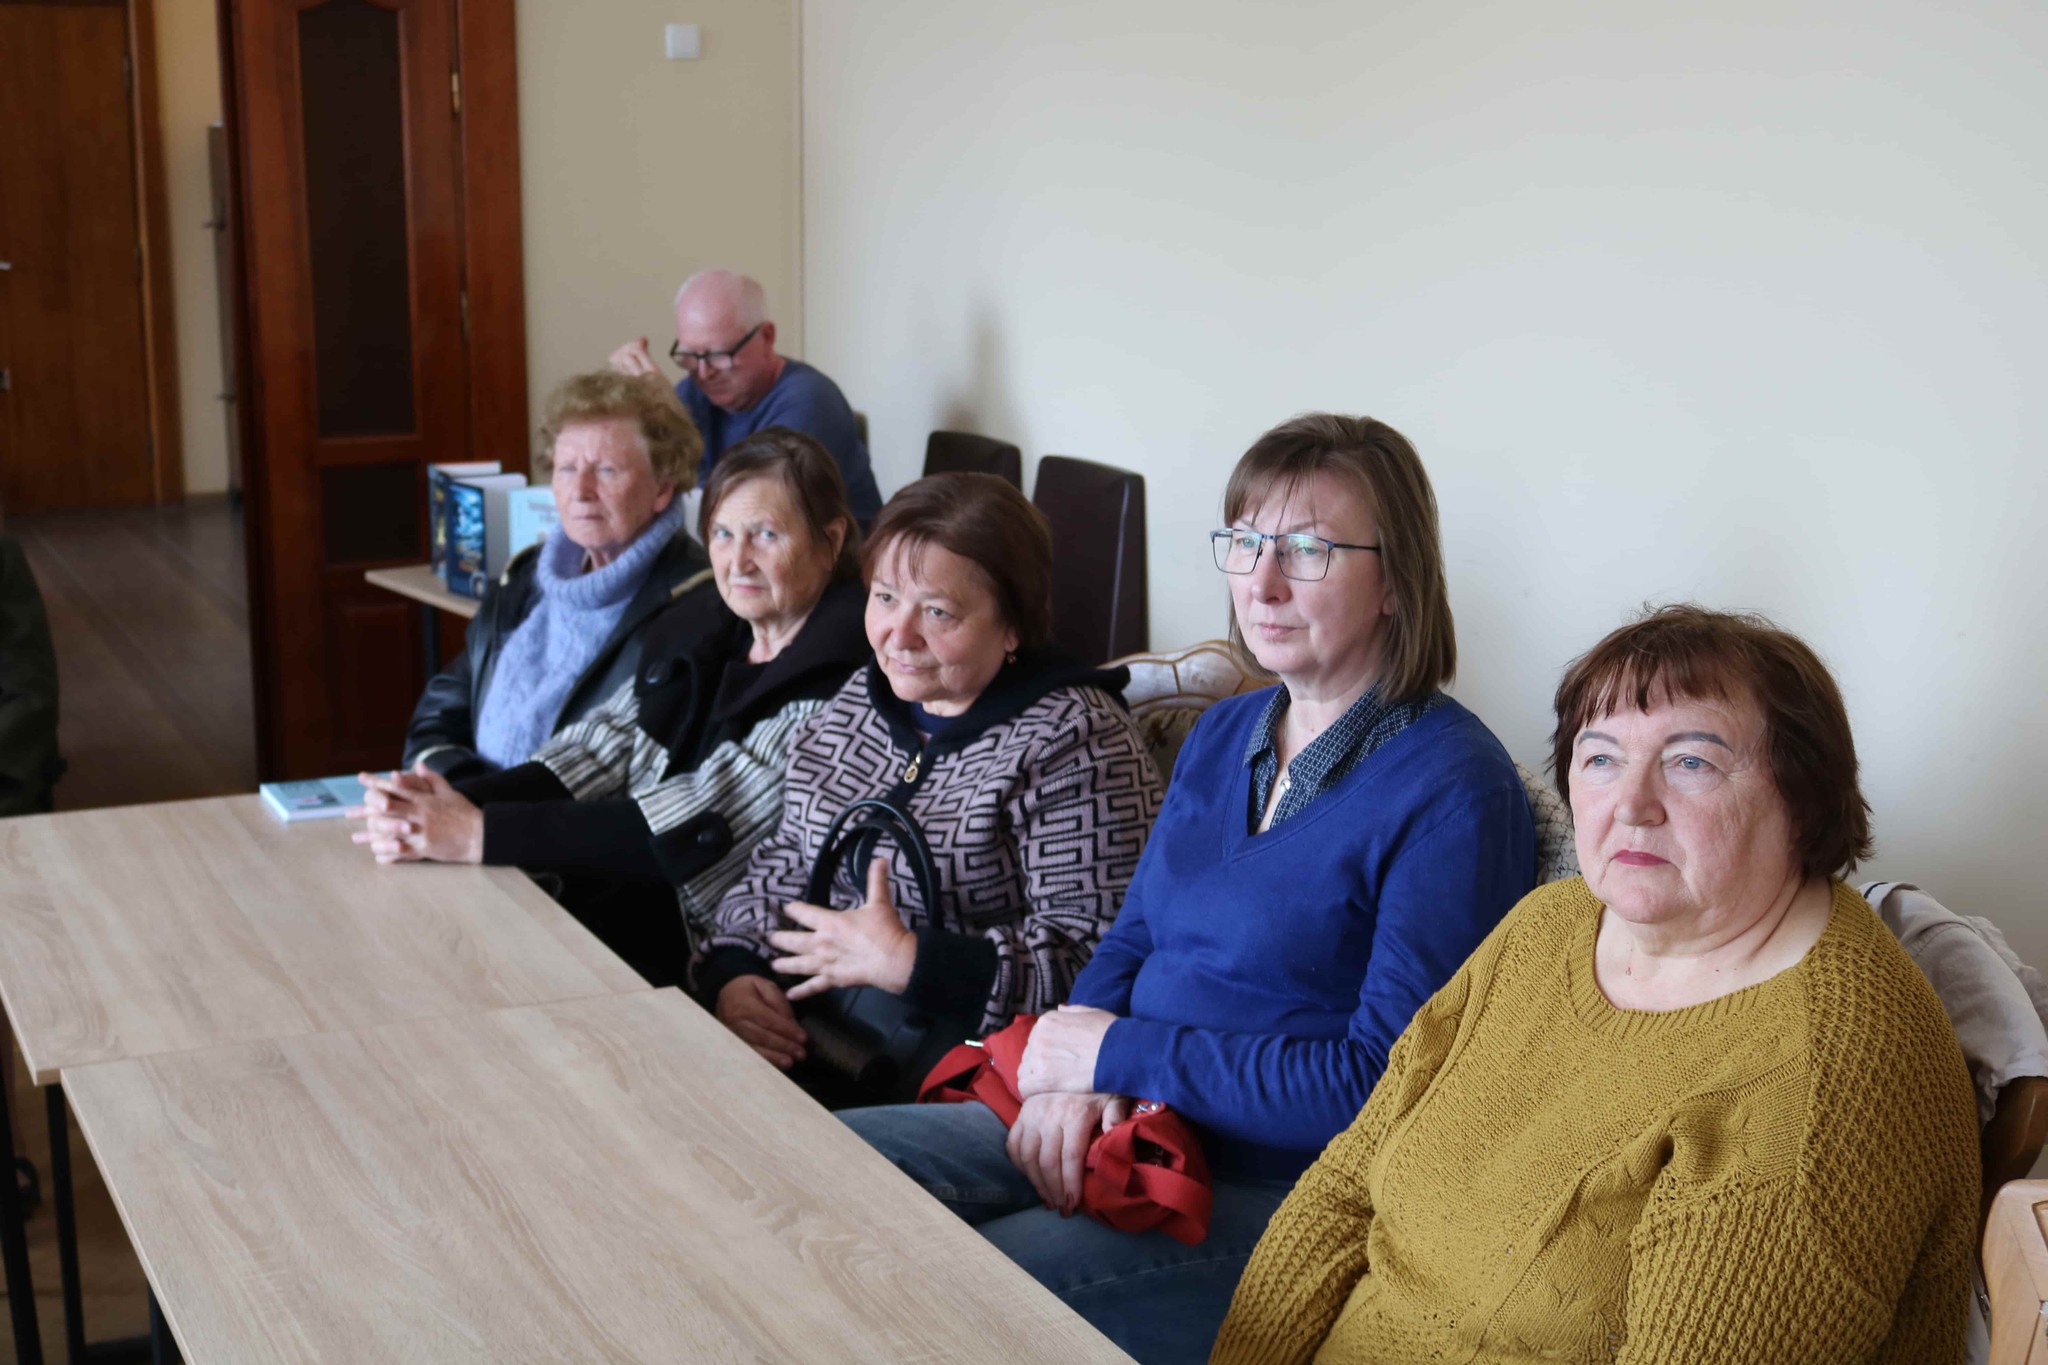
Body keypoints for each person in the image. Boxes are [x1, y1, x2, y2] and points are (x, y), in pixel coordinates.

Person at [844, 414, 1537, 1363]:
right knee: (821, 1169)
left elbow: (1377, 1091)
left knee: (949, 1294)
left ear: (1397, 582)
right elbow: (1136, 936)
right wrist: (1073, 1074)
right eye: (1246, 542)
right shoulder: (1226, 731)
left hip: (1278, 1194)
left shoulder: (1457, 790)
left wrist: (1123, 1054)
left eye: (1308, 550)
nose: (1263, 582)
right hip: (1131, 1118)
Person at [1213, 606, 1980, 1365]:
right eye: (1601, 757)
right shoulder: (1550, 925)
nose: (1631, 805)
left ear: (1802, 798)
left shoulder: (1830, 1076)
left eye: (1691, 762)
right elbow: (1348, 1183)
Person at [698, 473, 1164, 1103]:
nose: (899, 634)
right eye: (886, 597)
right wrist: (736, 970)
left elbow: (1101, 963)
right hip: (820, 1039)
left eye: (937, 612)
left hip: (970, 1083)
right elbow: (786, 859)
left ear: (1012, 625)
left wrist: (914, 963)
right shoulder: (862, 700)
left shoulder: (1077, 739)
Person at [356, 429, 871, 988]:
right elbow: (599, 747)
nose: (739, 561)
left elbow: (695, 823)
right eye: (723, 534)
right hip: (624, 911)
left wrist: (479, 832)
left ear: (830, 540)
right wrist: (450, 802)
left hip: (721, 959)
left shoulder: (848, 677)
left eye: (766, 535)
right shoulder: (706, 628)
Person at [403, 371, 710, 783]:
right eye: (566, 469)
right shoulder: (525, 575)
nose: (580, 490)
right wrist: (454, 782)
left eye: (606, 470)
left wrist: (483, 806)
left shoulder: (696, 603)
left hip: (555, 822)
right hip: (471, 809)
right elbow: (442, 709)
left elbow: (640, 780)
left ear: (662, 488)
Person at [610, 270, 882, 525]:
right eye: (690, 354)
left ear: (767, 337)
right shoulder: (695, 390)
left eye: (719, 354)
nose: (704, 372)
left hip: (829, 556)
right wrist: (638, 408)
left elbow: (743, 518)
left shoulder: (810, 401)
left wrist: (669, 417)